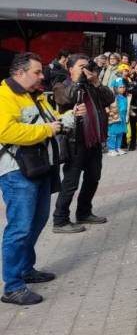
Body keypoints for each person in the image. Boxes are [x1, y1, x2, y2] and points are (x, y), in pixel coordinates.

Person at [0, 52, 63, 305]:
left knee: (37, 221)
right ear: (19, 73)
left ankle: (26, 268)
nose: (41, 76)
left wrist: (62, 120)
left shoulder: (34, 94)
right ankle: (13, 286)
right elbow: (6, 130)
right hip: (17, 170)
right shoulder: (5, 95)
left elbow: (50, 119)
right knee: (20, 228)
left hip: (39, 166)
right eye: (37, 72)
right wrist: (47, 129)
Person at [52, 54, 115, 233]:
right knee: (71, 182)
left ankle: (84, 212)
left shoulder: (91, 85)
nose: (85, 69)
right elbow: (67, 99)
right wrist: (79, 81)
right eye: (81, 66)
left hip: (94, 140)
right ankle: (60, 220)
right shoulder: (61, 86)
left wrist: (96, 82)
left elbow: (109, 98)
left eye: (87, 66)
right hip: (74, 141)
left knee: (93, 178)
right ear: (70, 69)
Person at [106, 78, 129, 157]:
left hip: (122, 117)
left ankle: (118, 147)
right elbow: (107, 106)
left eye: (123, 87)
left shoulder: (125, 97)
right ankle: (111, 149)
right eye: (120, 87)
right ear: (116, 88)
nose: (122, 89)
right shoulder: (113, 97)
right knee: (113, 133)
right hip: (115, 118)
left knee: (120, 133)